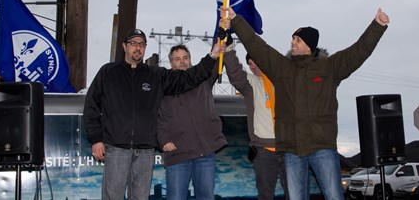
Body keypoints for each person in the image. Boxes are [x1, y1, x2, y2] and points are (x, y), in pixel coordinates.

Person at [221, 7, 390, 200]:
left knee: (334, 196)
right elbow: (258, 47)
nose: (293, 42)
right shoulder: (281, 67)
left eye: (298, 40)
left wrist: (377, 26)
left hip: (322, 146)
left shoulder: (329, 68)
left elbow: (357, 52)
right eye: (292, 38)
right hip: (291, 150)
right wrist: (236, 20)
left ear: (309, 45)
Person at [83, 28, 224, 200]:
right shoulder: (108, 72)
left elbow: (187, 78)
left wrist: (212, 56)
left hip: (146, 150)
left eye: (141, 44)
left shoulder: (155, 74)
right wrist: (96, 139)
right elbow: (91, 106)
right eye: (133, 43)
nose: (138, 48)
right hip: (116, 148)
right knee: (113, 196)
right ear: (124, 46)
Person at [157, 44, 227, 200]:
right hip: (177, 154)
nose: (182, 62)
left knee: (207, 197)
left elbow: (218, 54)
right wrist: (163, 140)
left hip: (205, 153)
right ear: (171, 63)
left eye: (185, 58)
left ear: (190, 60)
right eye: (177, 59)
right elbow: (157, 118)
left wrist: (224, 30)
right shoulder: (163, 86)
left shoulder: (204, 78)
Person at [223, 48, 289, 200]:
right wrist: (228, 48)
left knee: (296, 193)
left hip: (289, 149)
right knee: (265, 195)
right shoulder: (250, 83)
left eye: (255, 62)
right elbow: (234, 72)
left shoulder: (283, 81)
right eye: (250, 64)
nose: (253, 66)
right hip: (264, 151)